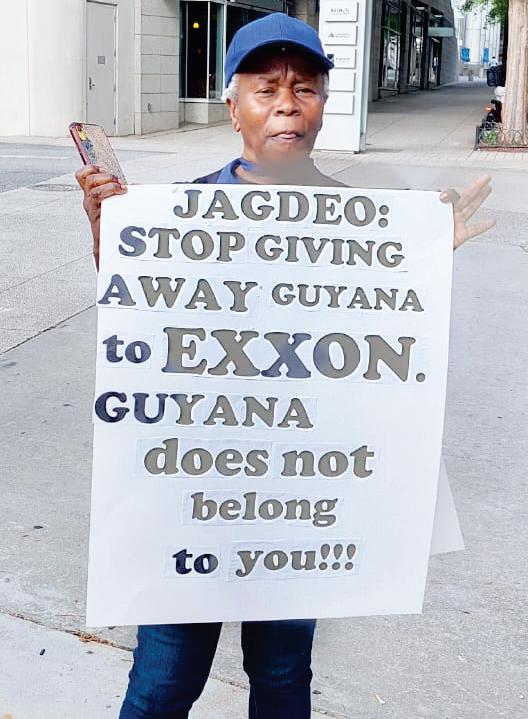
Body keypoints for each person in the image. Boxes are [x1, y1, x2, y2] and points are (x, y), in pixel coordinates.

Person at [76, 13, 494, 719]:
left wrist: (421, 263)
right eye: (266, 88)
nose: (287, 105)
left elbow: (382, 356)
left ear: (323, 105)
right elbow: (142, 329)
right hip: (194, 491)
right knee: (163, 681)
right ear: (233, 105)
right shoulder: (181, 211)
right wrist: (108, 236)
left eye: (304, 88)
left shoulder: (364, 222)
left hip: (298, 501)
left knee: (280, 673)